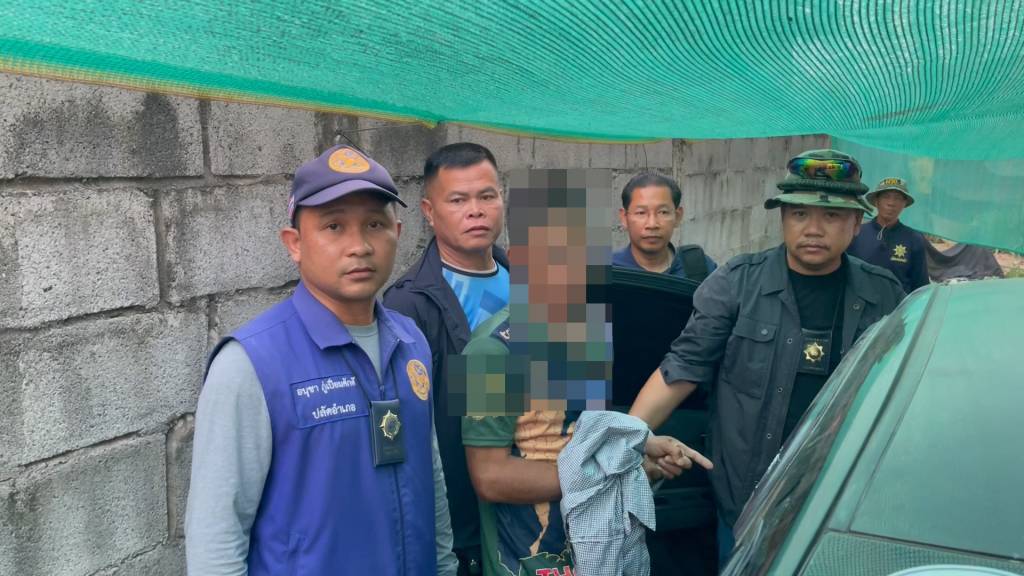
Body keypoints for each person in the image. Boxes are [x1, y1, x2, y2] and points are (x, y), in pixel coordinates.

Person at [186, 145, 458, 575]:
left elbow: (432, 476)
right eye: (334, 226)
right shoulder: (251, 363)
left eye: (374, 224)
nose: (359, 246)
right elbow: (216, 534)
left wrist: (444, 566)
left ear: (398, 233)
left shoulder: (411, 342)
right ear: (294, 244)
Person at [628, 149, 905, 567]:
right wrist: (627, 440)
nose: (813, 229)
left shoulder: (884, 295)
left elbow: (903, 391)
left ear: (855, 223)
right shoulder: (737, 284)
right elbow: (682, 367)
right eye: (799, 214)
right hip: (745, 502)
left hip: (839, 499)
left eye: (831, 216)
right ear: (783, 219)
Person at [460, 177, 709, 575]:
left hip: (598, 552)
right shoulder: (489, 352)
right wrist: (612, 475)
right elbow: (490, 477)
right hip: (527, 560)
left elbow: (587, 431)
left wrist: (642, 444)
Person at [384, 142, 508, 575]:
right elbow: (412, 435)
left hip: (538, 504)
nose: (476, 211)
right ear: (429, 212)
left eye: (487, 196)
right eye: (458, 200)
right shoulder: (410, 305)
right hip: (466, 526)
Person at [613, 172, 716, 281]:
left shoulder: (698, 268)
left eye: (663, 212)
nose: (652, 224)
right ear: (624, 218)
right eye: (641, 213)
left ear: (677, 216)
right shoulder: (609, 270)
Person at [847, 177, 931, 293]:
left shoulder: (914, 239)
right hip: (860, 301)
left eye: (897, 198)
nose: (891, 203)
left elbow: (920, 286)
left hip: (898, 303)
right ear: (876, 201)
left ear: (904, 204)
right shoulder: (856, 233)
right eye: (886, 197)